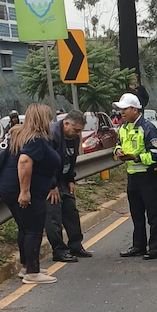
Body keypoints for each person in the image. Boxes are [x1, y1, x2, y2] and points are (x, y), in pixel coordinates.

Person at [0, 103, 60, 284]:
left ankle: (26, 267)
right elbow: (24, 162)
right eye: (48, 117)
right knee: (33, 228)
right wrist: (25, 192)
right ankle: (33, 273)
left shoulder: (19, 135)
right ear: (42, 119)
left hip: (7, 188)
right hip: (22, 190)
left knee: (24, 227)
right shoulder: (36, 140)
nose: (50, 121)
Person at [114, 93, 157, 260]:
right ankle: (138, 246)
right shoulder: (123, 128)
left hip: (148, 176)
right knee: (136, 213)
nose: (121, 112)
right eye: (120, 109)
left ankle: (154, 248)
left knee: (152, 213)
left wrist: (135, 157)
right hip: (132, 176)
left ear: (135, 109)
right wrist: (118, 152)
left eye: (125, 109)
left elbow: (156, 154)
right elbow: (118, 145)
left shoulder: (148, 128)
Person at [46, 109, 93, 262]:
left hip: (64, 179)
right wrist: (51, 186)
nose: (77, 134)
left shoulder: (74, 137)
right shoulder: (52, 135)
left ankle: (76, 246)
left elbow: (72, 159)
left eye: (80, 131)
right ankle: (59, 250)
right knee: (54, 215)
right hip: (50, 181)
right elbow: (46, 163)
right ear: (66, 123)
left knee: (71, 211)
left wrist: (71, 180)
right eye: (75, 130)